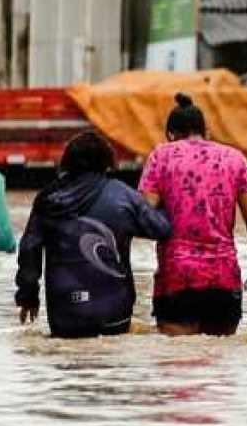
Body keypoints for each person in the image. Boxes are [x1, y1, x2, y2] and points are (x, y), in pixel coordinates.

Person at [138, 94, 247, 336]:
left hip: (176, 279)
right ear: (206, 131)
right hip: (224, 279)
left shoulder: (162, 156)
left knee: (177, 364)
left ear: (170, 134)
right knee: (218, 366)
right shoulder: (235, 158)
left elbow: (144, 213)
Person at [15, 132, 171, 338]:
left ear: (67, 162)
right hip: (114, 314)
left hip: (65, 317)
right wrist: (167, 199)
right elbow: (161, 229)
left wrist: (28, 297)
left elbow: (29, 249)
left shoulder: (48, 199)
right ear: (107, 162)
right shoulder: (123, 196)